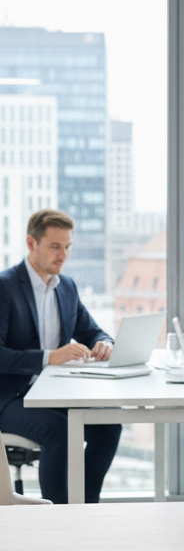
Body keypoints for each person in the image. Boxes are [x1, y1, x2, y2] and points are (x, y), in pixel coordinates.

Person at [0, 209, 121, 503]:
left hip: (53, 393)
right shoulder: (5, 287)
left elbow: (92, 330)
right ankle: (59, 516)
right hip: (11, 397)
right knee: (61, 432)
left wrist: (104, 342)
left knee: (109, 424)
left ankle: (85, 504)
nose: (63, 255)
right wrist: (48, 357)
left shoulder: (65, 286)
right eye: (55, 246)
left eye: (67, 247)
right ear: (32, 243)